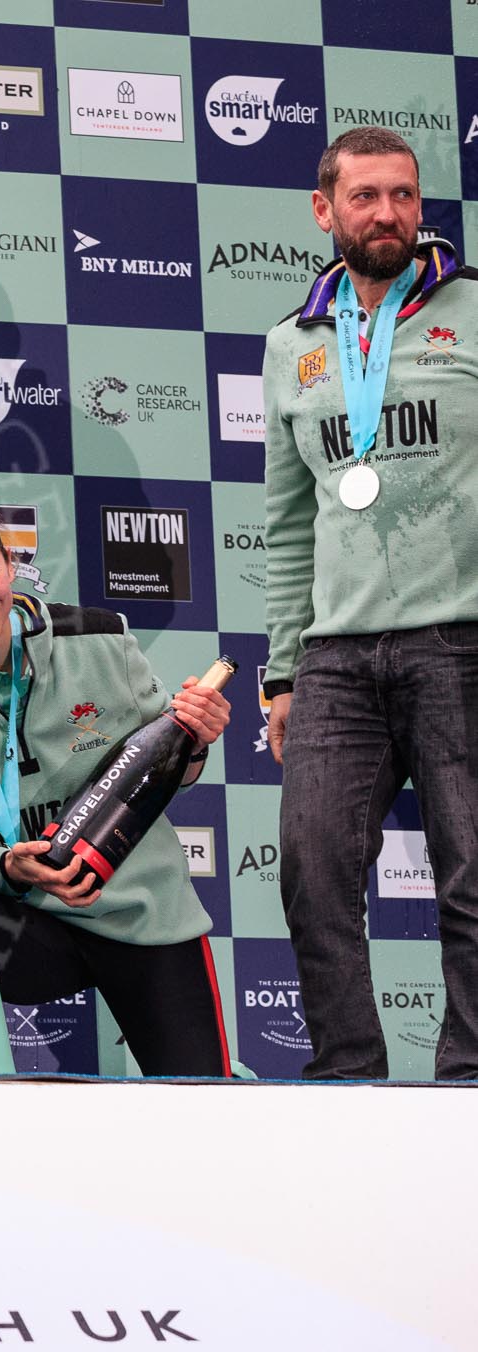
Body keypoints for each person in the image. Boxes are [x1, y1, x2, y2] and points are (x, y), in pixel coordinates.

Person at [0, 495, 234, 1077]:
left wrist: (197, 742)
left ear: (10, 565)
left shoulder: (100, 639)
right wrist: (5, 868)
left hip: (139, 913)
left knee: (202, 1105)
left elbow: (169, 774)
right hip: (24, 925)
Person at [263, 126, 478, 1080]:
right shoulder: (291, 344)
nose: (386, 213)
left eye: (402, 194)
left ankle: (469, 1075)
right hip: (337, 657)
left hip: (459, 640)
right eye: (365, 197)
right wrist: (280, 671)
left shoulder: (472, 311)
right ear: (326, 210)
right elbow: (287, 523)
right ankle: (347, 1083)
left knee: (471, 880)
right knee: (312, 878)